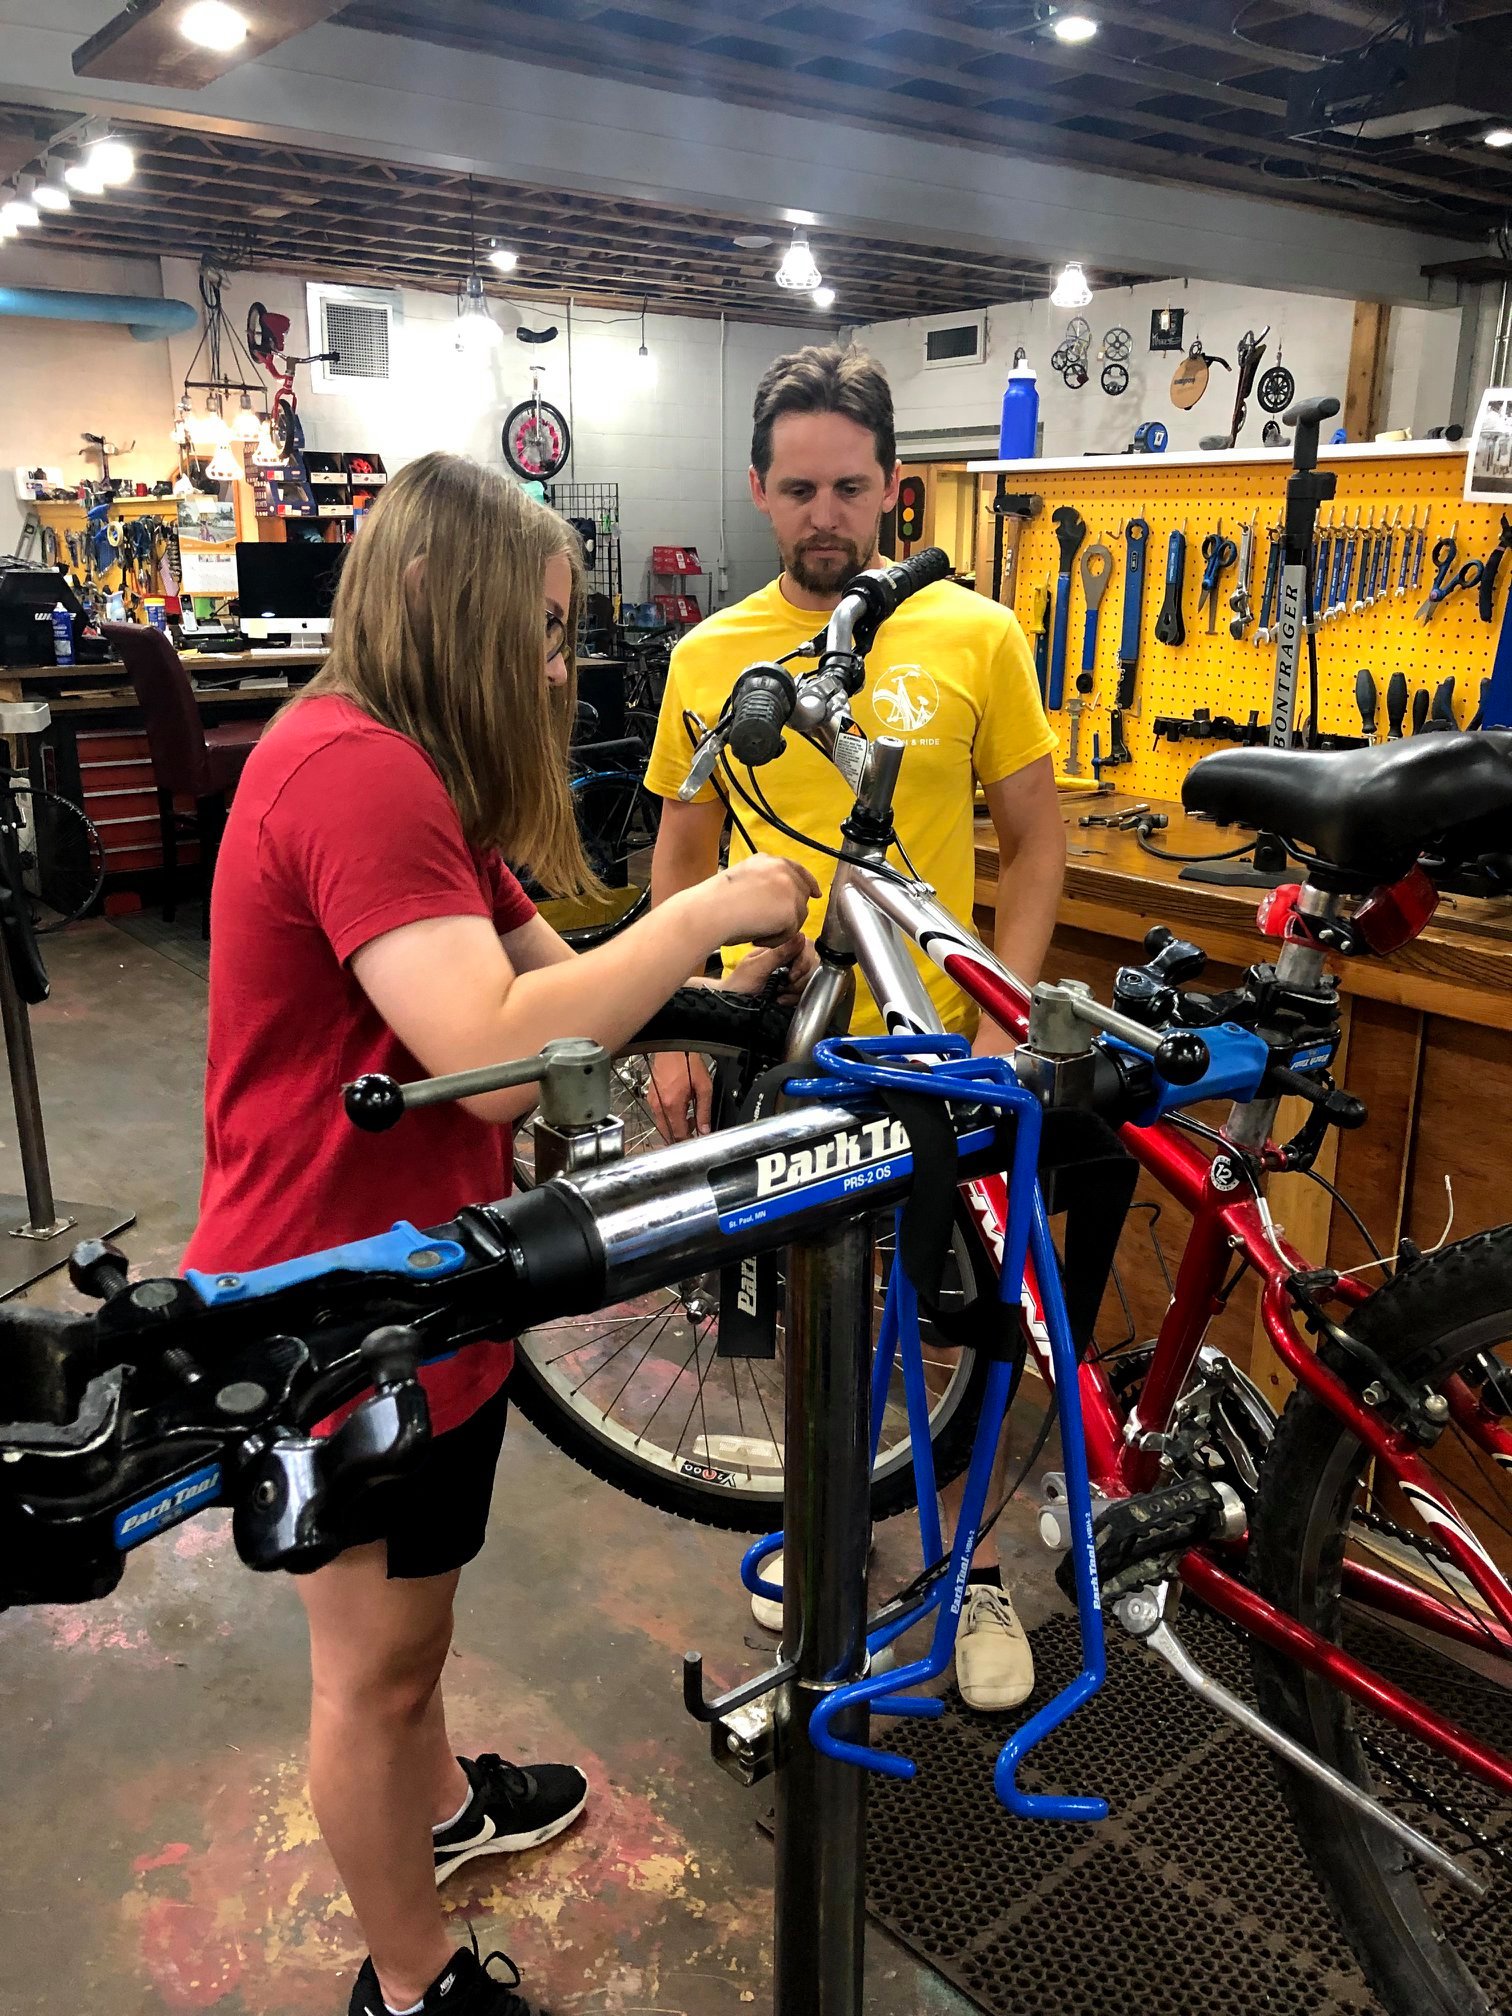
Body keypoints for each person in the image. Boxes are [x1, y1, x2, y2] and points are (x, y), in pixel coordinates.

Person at [182, 453, 817, 2016]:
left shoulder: (424, 778)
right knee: (369, 1669)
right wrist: (705, 909)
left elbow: (554, 968)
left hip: (427, 1282)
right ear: (430, 596)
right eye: (537, 631)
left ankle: (443, 1805)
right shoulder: (351, 771)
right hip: (329, 1299)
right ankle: (409, 1985)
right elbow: (493, 1044)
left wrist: (706, 1004)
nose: (556, 665)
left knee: (419, 1620)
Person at [642, 346, 1066, 1715]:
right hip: (791, 1055)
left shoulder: (977, 634)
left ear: (894, 487)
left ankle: (980, 1571)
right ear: (760, 490)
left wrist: (1006, 1019)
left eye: (851, 486)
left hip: (943, 1054)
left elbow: (1039, 839)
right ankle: (828, 1530)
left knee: (971, 1334)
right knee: (794, 1321)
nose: (827, 513)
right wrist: (677, 1027)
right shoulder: (712, 654)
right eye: (800, 487)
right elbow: (681, 848)